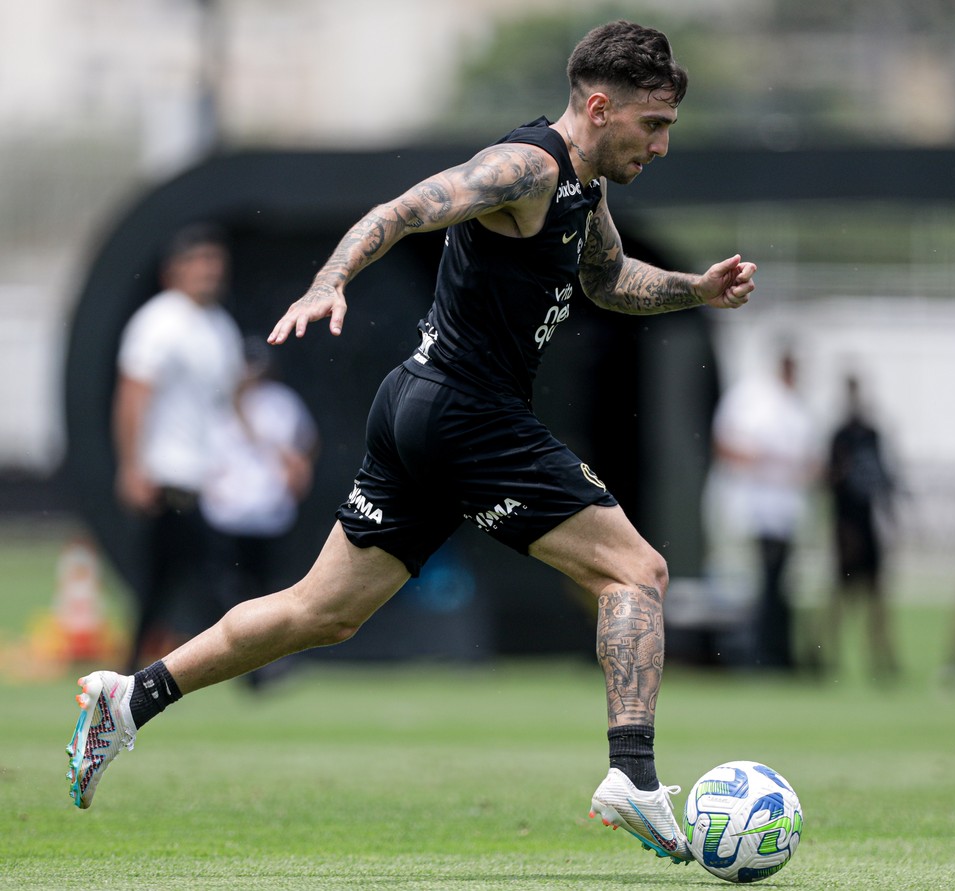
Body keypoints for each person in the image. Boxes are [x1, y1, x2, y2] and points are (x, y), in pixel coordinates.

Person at [65, 20, 755, 865]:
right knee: (637, 570)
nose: (662, 145)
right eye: (654, 125)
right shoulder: (527, 167)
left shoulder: (585, 188)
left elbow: (608, 280)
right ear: (601, 106)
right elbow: (404, 209)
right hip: (467, 413)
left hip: (424, 408)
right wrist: (329, 280)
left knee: (321, 612)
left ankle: (131, 697)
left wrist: (698, 289)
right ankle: (632, 776)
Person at [112, 223, 245, 671]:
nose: (208, 272)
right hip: (169, 471)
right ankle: (256, 667)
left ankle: (131, 666)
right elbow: (133, 394)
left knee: (164, 579)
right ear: (174, 271)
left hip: (204, 474)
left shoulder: (218, 326)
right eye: (199, 262)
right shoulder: (159, 321)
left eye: (214, 262)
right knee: (215, 570)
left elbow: (228, 404)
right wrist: (133, 465)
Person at [200, 336, 320, 683]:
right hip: (228, 511)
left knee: (267, 588)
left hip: (268, 511)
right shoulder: (219, 405)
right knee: (228, 587)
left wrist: (297, 471)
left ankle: (264, 661)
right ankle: (238, 660)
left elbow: (303, 445)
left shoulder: (280, 403)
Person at [710, 350, 819, 671]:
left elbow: (811, 461)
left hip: (784, 514)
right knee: (748, 584)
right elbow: (727, 446)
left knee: (780, 586)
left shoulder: (798, 408)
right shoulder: (751, 399)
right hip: (751, 510)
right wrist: (768, 465)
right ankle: (748, 653)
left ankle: (776, 653)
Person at [826, 374, 898, 680]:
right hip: (848, 525)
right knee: (843, 595)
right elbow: (832, 484)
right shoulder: (840, 437)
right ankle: (825, 654)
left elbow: (883, 479)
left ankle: (881, 657)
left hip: (867, 525)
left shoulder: (871, 435)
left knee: (876, 595)